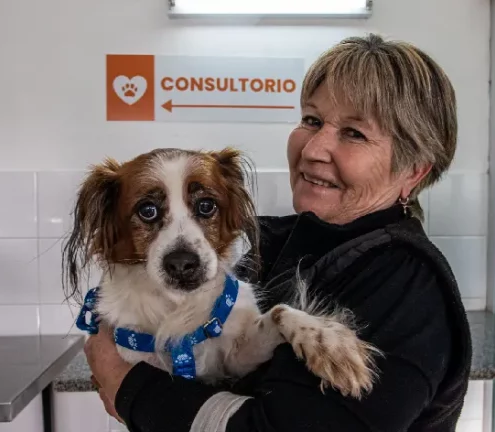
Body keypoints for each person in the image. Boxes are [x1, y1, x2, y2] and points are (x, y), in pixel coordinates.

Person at [82, 33, 472, 432]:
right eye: (312, 120)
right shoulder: (271, 240)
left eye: (354, 133)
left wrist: (125, 385)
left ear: (414, 171)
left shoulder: (408, 284)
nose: (313, 149)